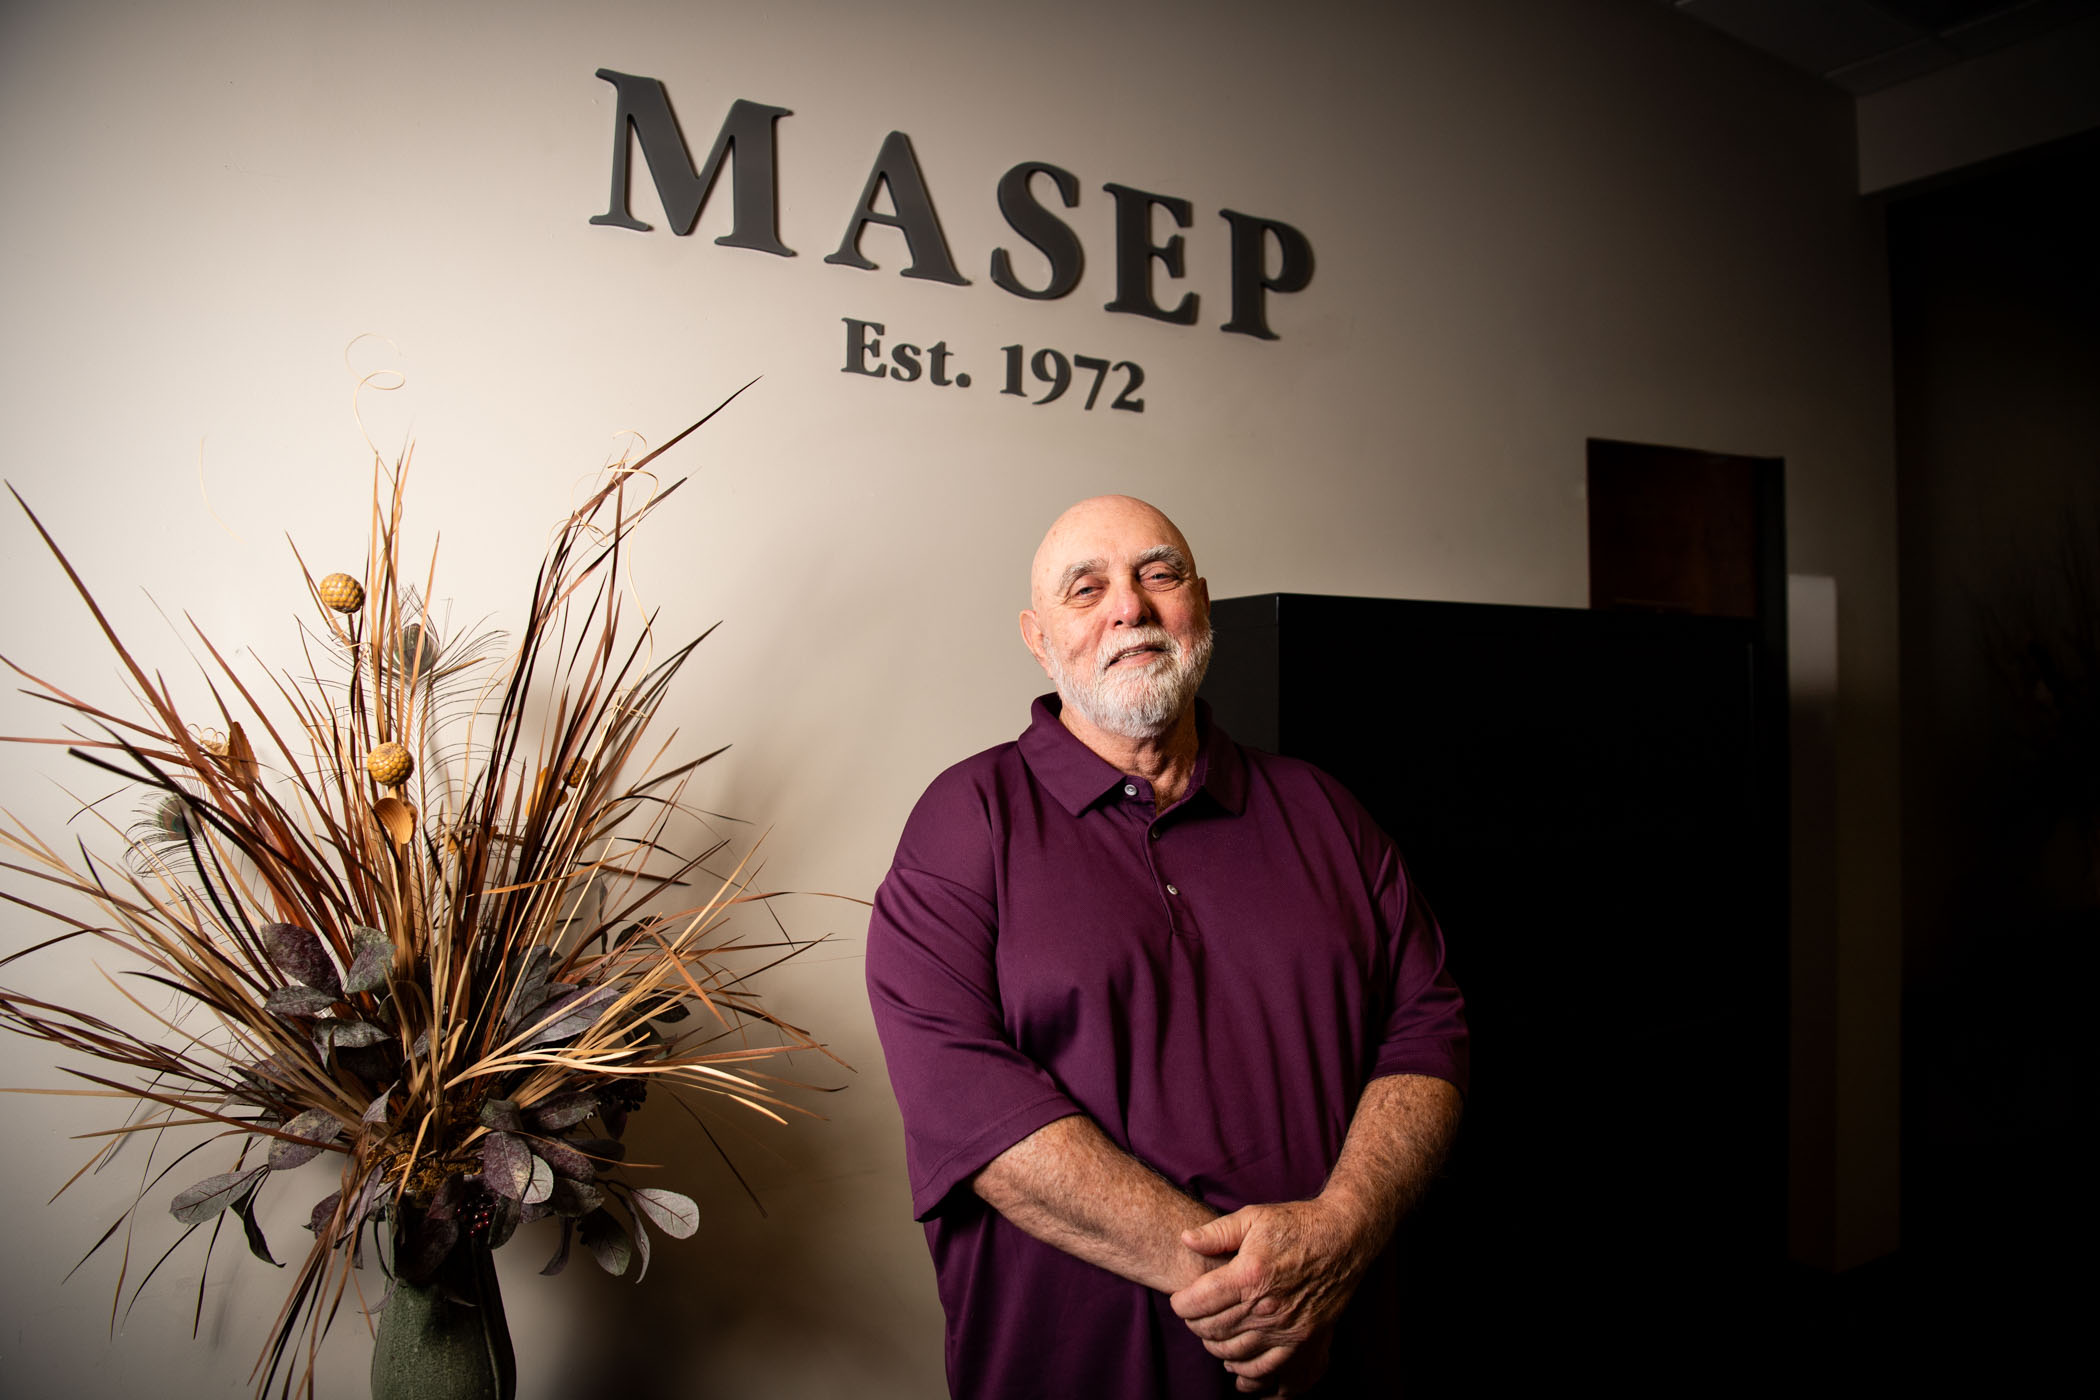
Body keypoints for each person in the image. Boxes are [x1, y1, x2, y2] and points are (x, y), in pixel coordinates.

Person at [865, 495, 1467, 1398]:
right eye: (1087, 587)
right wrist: (1257, 1296)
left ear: (1202, 603)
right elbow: (971, 1113)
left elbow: (1430, 1031)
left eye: (1159, 573)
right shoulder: (966, 821)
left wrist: (1338, 1233)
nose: (1130, 608)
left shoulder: (1322, 811)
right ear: (1037, 638)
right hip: (1081, 1373)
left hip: (1335, 1364)